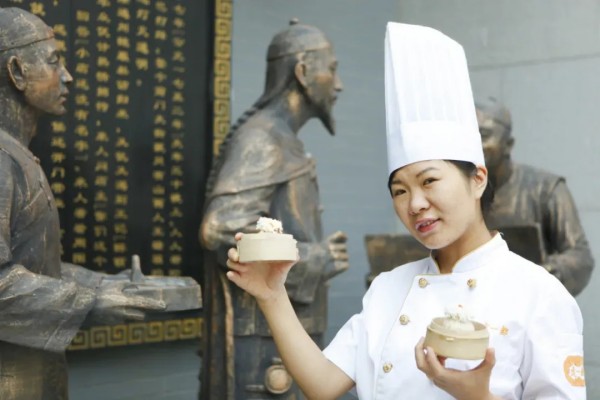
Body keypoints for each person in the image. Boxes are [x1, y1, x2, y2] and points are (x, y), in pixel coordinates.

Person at [225, 22, 585, 399]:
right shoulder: (388, 287)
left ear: (478, 179)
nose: (415, 204)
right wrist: (272, 295)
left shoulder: (539, 294)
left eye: (429, 181)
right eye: (400, 190)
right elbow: (322, 384)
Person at [0, 8, 169, 399]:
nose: (68, 76)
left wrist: (103, 284)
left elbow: (33, 266)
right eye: (54, 61)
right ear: (18, 72)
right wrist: (91, 302)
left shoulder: (17, 154)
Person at [200, 19, 348, 399]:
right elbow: (220, 227)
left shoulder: (281, 138)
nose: (338, 84)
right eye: (331, 70)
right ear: (302, 72)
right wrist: (314, 258)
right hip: (264, 348)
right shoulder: (263, 139)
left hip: (282, 336)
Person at [476, 98, 594, 296]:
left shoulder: (545, 189)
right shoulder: (456, 193)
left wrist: (539, 275)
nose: (476, 145)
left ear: (508, 144)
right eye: (470, 137)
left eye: (484, 135)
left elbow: (580, 257)